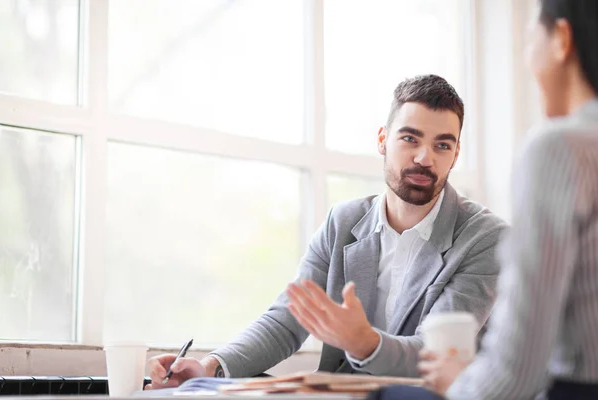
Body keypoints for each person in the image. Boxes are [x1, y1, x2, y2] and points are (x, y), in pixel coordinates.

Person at [145, 75, 507, 389]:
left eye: (442, 145)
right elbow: (287, 320)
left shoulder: (485, 238)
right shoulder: (343, 222)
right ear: (383, 139)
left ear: (456, 154)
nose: (425, 158)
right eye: (410, 139)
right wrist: (210, 366)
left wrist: (364, 342)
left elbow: (436, 353)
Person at [412, 1, 598, 399]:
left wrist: (458, 382)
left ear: (562, 40)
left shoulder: (558, 148)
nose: (527, 61)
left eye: (531, 39)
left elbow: (517, 374)